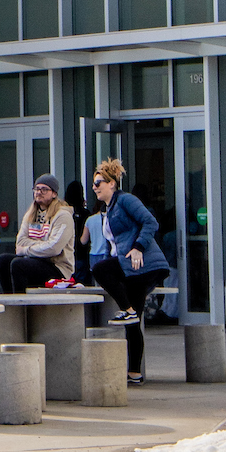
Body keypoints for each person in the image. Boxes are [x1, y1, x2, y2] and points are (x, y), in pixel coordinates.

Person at [88, 157, 169, 384]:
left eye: (99, 183)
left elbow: (150, 222)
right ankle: (135, 373)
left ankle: (127, 309)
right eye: (94, 183)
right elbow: (112, 246)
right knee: (133, 322)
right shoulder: (108, 210)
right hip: (128, 267)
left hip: (141, 266)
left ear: (112, 184)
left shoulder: (125, 200)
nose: (95, 187)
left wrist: (138, 248)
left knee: (101, 270)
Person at [0, 176, 75, 292]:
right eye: (37, 189)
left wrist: (27, 250)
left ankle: (23, 306)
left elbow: (53, 248)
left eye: (44, 189)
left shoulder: (62, 215)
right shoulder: (30, 214)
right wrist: (43, 244)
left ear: (54, 193)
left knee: (19, 264)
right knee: (3, 261)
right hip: (35, 260)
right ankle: (12, 303)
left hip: (57, 268)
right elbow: (20, 242)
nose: (39, 192)